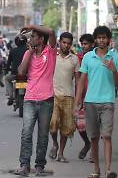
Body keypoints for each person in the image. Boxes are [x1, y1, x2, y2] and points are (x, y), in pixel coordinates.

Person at [13, 25, 57, 176]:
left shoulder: (50, 51)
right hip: (30, 99)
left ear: (41, 39)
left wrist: (31, 26)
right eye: (30, 36)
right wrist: (30, 51)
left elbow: (51, 32)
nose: (30, 39)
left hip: (46, 100)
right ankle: (24, 165)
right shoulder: (28, 53)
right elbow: (21, 71)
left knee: (43, 135)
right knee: (26, 133)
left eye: (33, 36)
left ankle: (39, 165)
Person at [76, 26, 118, 178]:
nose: (101, 40)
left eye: (104, 37)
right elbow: (81, 80)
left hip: (108, 101)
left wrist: (114, 70)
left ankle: (108, 170)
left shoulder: (115, 57)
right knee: (93, 137)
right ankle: (96, 169)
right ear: (95, 40)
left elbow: (117, 83)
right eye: (99, 37)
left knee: (106, 136)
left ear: (108, 39)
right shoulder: (88, 57)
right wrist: (78, 100)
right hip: (90, 102)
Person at [49, 32, 79, 163]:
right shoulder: (52, 55)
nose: (66, 45)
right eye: (63, 42)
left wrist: (78, 100)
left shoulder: (75, 59)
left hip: (69, 96)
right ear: (59, 42)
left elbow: (78, 81)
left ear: (71, 44)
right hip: (53, 95)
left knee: (66, 127)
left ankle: (61, 153)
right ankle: (54, 144)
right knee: (53, 123)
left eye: (68, 43)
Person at [76, 33, 96, 160]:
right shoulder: (78, 58)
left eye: (86, 44)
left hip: (96, 96)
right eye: (82, 44)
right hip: (82, 96)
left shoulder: (97, 57)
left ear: (92, 44)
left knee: (95, 126)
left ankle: (93, 152)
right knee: (80, 125)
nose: (83, 46)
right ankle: (87, 143)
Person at [6, 33, 29, 106]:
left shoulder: (12, 51)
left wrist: (7, 69)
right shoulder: (28, 51)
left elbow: (9, 63)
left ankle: (11, 96)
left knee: (7, 78)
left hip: (15, 74)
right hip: (26, 75)